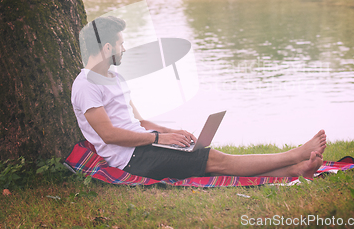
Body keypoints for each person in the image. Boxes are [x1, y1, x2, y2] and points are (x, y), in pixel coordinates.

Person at [71, 15, 327, 181]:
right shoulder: (86, 86)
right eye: (120, 44)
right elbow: (110, 136)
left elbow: (139, 122)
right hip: (132, 158)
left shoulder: (115, 78)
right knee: (218, 161)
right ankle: (295, 156)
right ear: (106, 48)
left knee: (211, 157)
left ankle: (295, 170)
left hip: (146, 145)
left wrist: (173, 133)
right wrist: (159, 139)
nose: (124, 49)